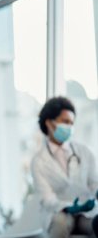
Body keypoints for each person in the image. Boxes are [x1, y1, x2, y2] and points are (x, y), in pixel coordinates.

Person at [31, 96, 98, 238]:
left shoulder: (84, 152)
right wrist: (69, 207)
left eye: (72, 123)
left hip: (85, 214)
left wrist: (96, 193)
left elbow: (94, 182)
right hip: (58, 215)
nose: (69, 127)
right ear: (49, 123)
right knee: (61, 222)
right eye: (65, 122)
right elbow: (47, 198)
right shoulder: (38, 161)